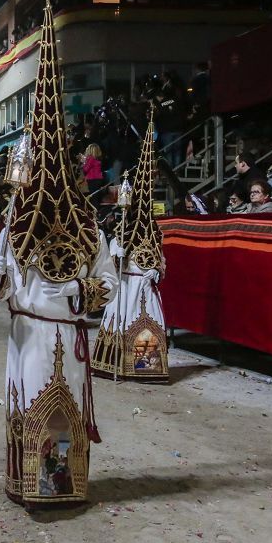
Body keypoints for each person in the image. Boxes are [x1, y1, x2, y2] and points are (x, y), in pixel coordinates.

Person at [0, 0, 116, 510]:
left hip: (66, 330)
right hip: (29, 336)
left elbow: (105, 285)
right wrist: (4, 278)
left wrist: (82, 291)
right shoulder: (17, 227)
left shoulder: (91, 233)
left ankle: (62, 484)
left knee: (62, 412)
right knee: (29, 404)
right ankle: (28, 482)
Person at [92, 108, 168, 382]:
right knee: (120, 320)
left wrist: (155, 273)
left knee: (145, 322)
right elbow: (109, 268)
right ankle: (115, 364)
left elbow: (161, 263)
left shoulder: (155, 233)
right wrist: (118, 256)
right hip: (125, 285)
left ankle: (144, 366)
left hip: (144, 287)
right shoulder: (120, 235)